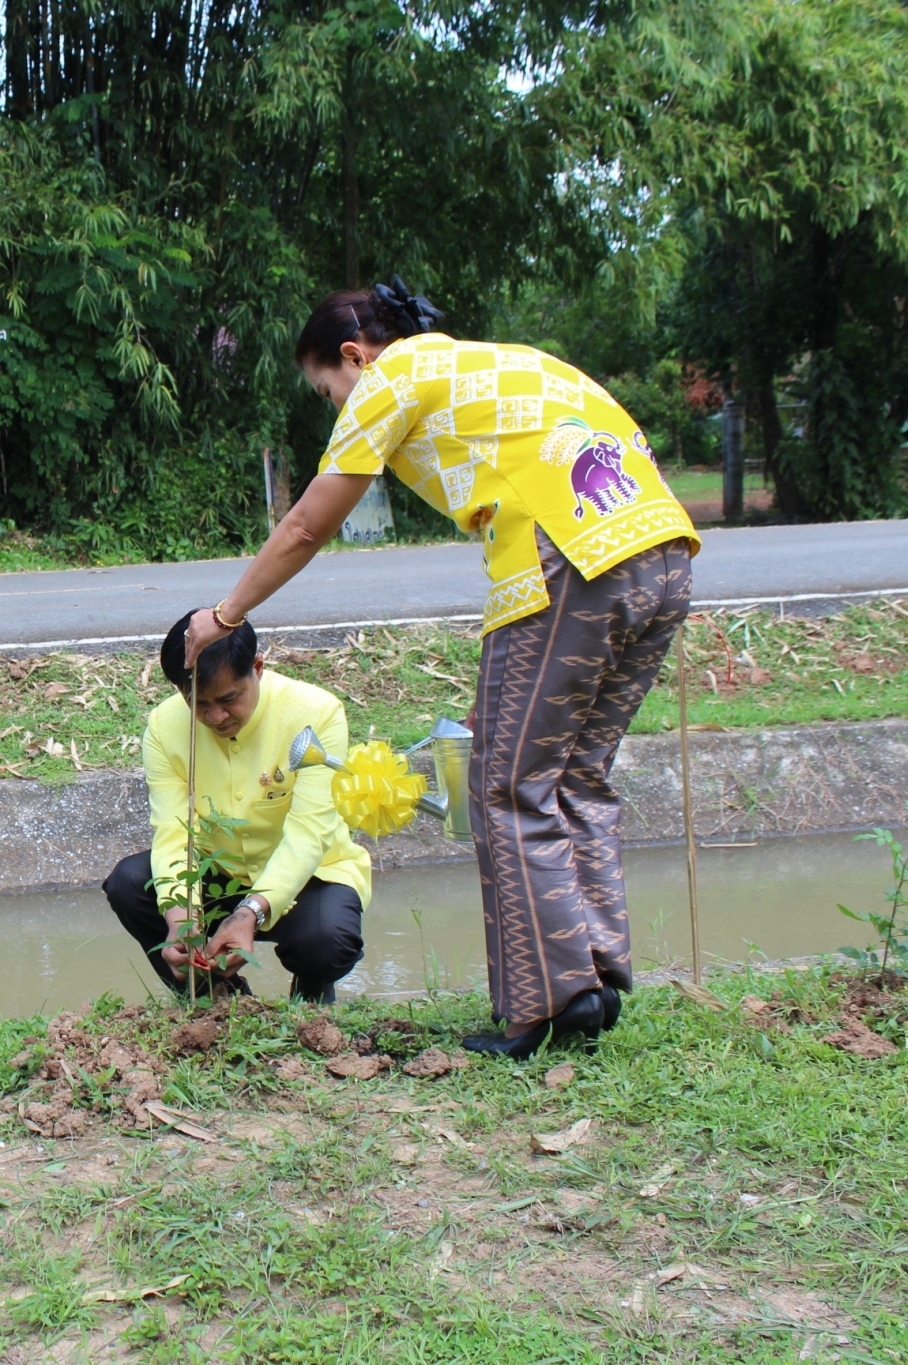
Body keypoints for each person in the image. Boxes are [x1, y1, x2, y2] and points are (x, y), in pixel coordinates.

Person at [184, 281, 699, 1057]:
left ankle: (545, 1007)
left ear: (354, 356)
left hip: (565, 562)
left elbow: (306, 524)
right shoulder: (501, 361)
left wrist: (223, 617)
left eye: (329, 390)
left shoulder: (390, 377)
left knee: (503, 784)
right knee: (575, 775)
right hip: (663, 554)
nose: (338, 406)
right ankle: (589, 974)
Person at [104, 613, 370, 1003]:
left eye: (229, 699)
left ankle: (310, 1002)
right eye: (199, 703)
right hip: (219, 871)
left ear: (258, 669)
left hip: (310, 877)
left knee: (326, 939)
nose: (215, 717)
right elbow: (173, 831)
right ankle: (215, 997)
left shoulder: (316, 714)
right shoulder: (163, 727)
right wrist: (180, 919)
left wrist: (250, 913)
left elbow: (309, 833)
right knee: (129, 883)